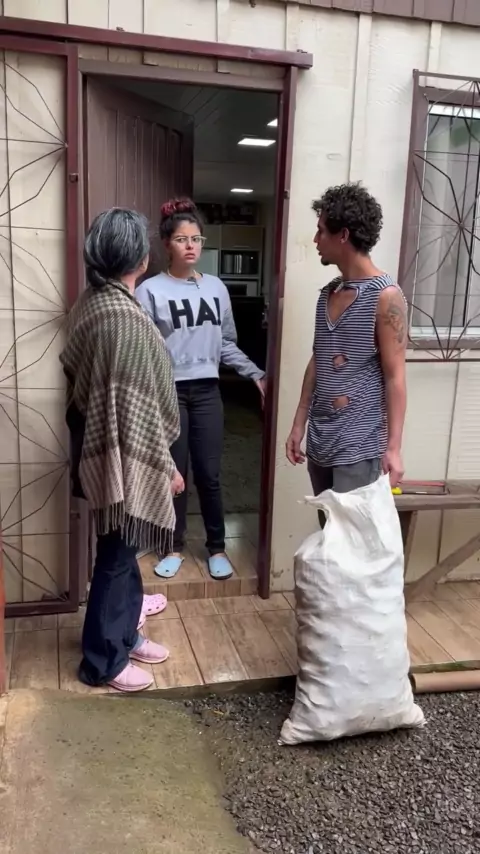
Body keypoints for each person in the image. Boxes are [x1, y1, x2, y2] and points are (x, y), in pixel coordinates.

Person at [60, 208, 184, 692]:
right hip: (121, 452)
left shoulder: (92, 303)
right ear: (142, 259)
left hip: (98, 441)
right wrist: (166, 466)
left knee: (123, 547)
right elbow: (139, 410)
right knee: (115, 554)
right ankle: (102, 661)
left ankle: (125, 634)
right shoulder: (124, 320)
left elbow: (79, 373)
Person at [136, 198, 266, 580]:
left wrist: (256, 374)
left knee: (209, 474)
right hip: (170, 394)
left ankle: (217, 547)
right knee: (175, 475)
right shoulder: (150, 290)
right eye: (182, 239)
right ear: (167, 244)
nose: (191, 245)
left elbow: (225, 342)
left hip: (208, 391)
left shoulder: (216, 288)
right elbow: (144, 348)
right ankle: (173, 546)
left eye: (196, 238)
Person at [286, 182, 407, 508]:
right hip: (321, 442)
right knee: (329, 532)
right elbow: (318, 359)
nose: (315, 240)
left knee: (353, 536)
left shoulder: (385, 297)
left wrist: (393, 448)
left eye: (321, 231)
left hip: (359, 446)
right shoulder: (329, 293)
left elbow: (395, 376)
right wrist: (298, 424)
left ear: (343, 235)